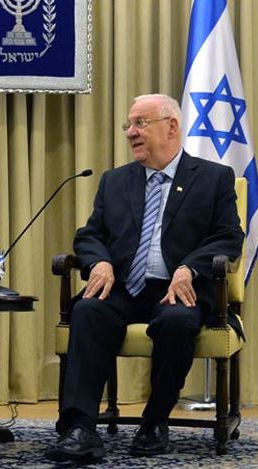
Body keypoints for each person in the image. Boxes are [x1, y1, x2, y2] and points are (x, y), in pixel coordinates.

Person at [46, 94, 244, 462]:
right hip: (122, 287)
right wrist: (100, 262)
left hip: (177, 290)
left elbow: (228, 236)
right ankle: (80, 427)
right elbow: (90, 235)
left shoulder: (213, 178)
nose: (130, 133)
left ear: (171, 126)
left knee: (175, 323)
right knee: (88, 312)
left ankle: (154, 421)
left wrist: (189, 268)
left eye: (140, 123)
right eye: (128, 125)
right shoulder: (115, 181)